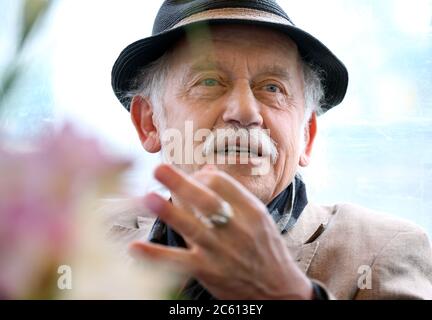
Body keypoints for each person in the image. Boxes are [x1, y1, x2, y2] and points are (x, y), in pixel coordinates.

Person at [109, 0, 432, 299]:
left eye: (273, 88)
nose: (246, 112)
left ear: (306, 136)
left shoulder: (384, 250)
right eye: (209, 81)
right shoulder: (81, 236)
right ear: (149, 123)